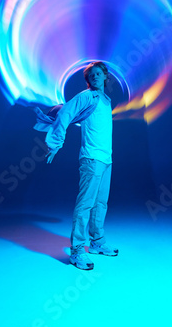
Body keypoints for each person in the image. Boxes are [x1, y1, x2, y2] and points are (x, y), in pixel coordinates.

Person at [34, 61, 118, 270]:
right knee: (85, 204)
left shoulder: (106, 100)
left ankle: (97, 242)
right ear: (88, 80)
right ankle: (77, 251)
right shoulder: (86, 96)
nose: (95, 77)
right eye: (91, 75)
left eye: (99, 74)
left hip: (106, 159)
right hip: (91, 159)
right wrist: (55, 143)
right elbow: (65, 113)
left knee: (101, 203)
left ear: (105, 77)